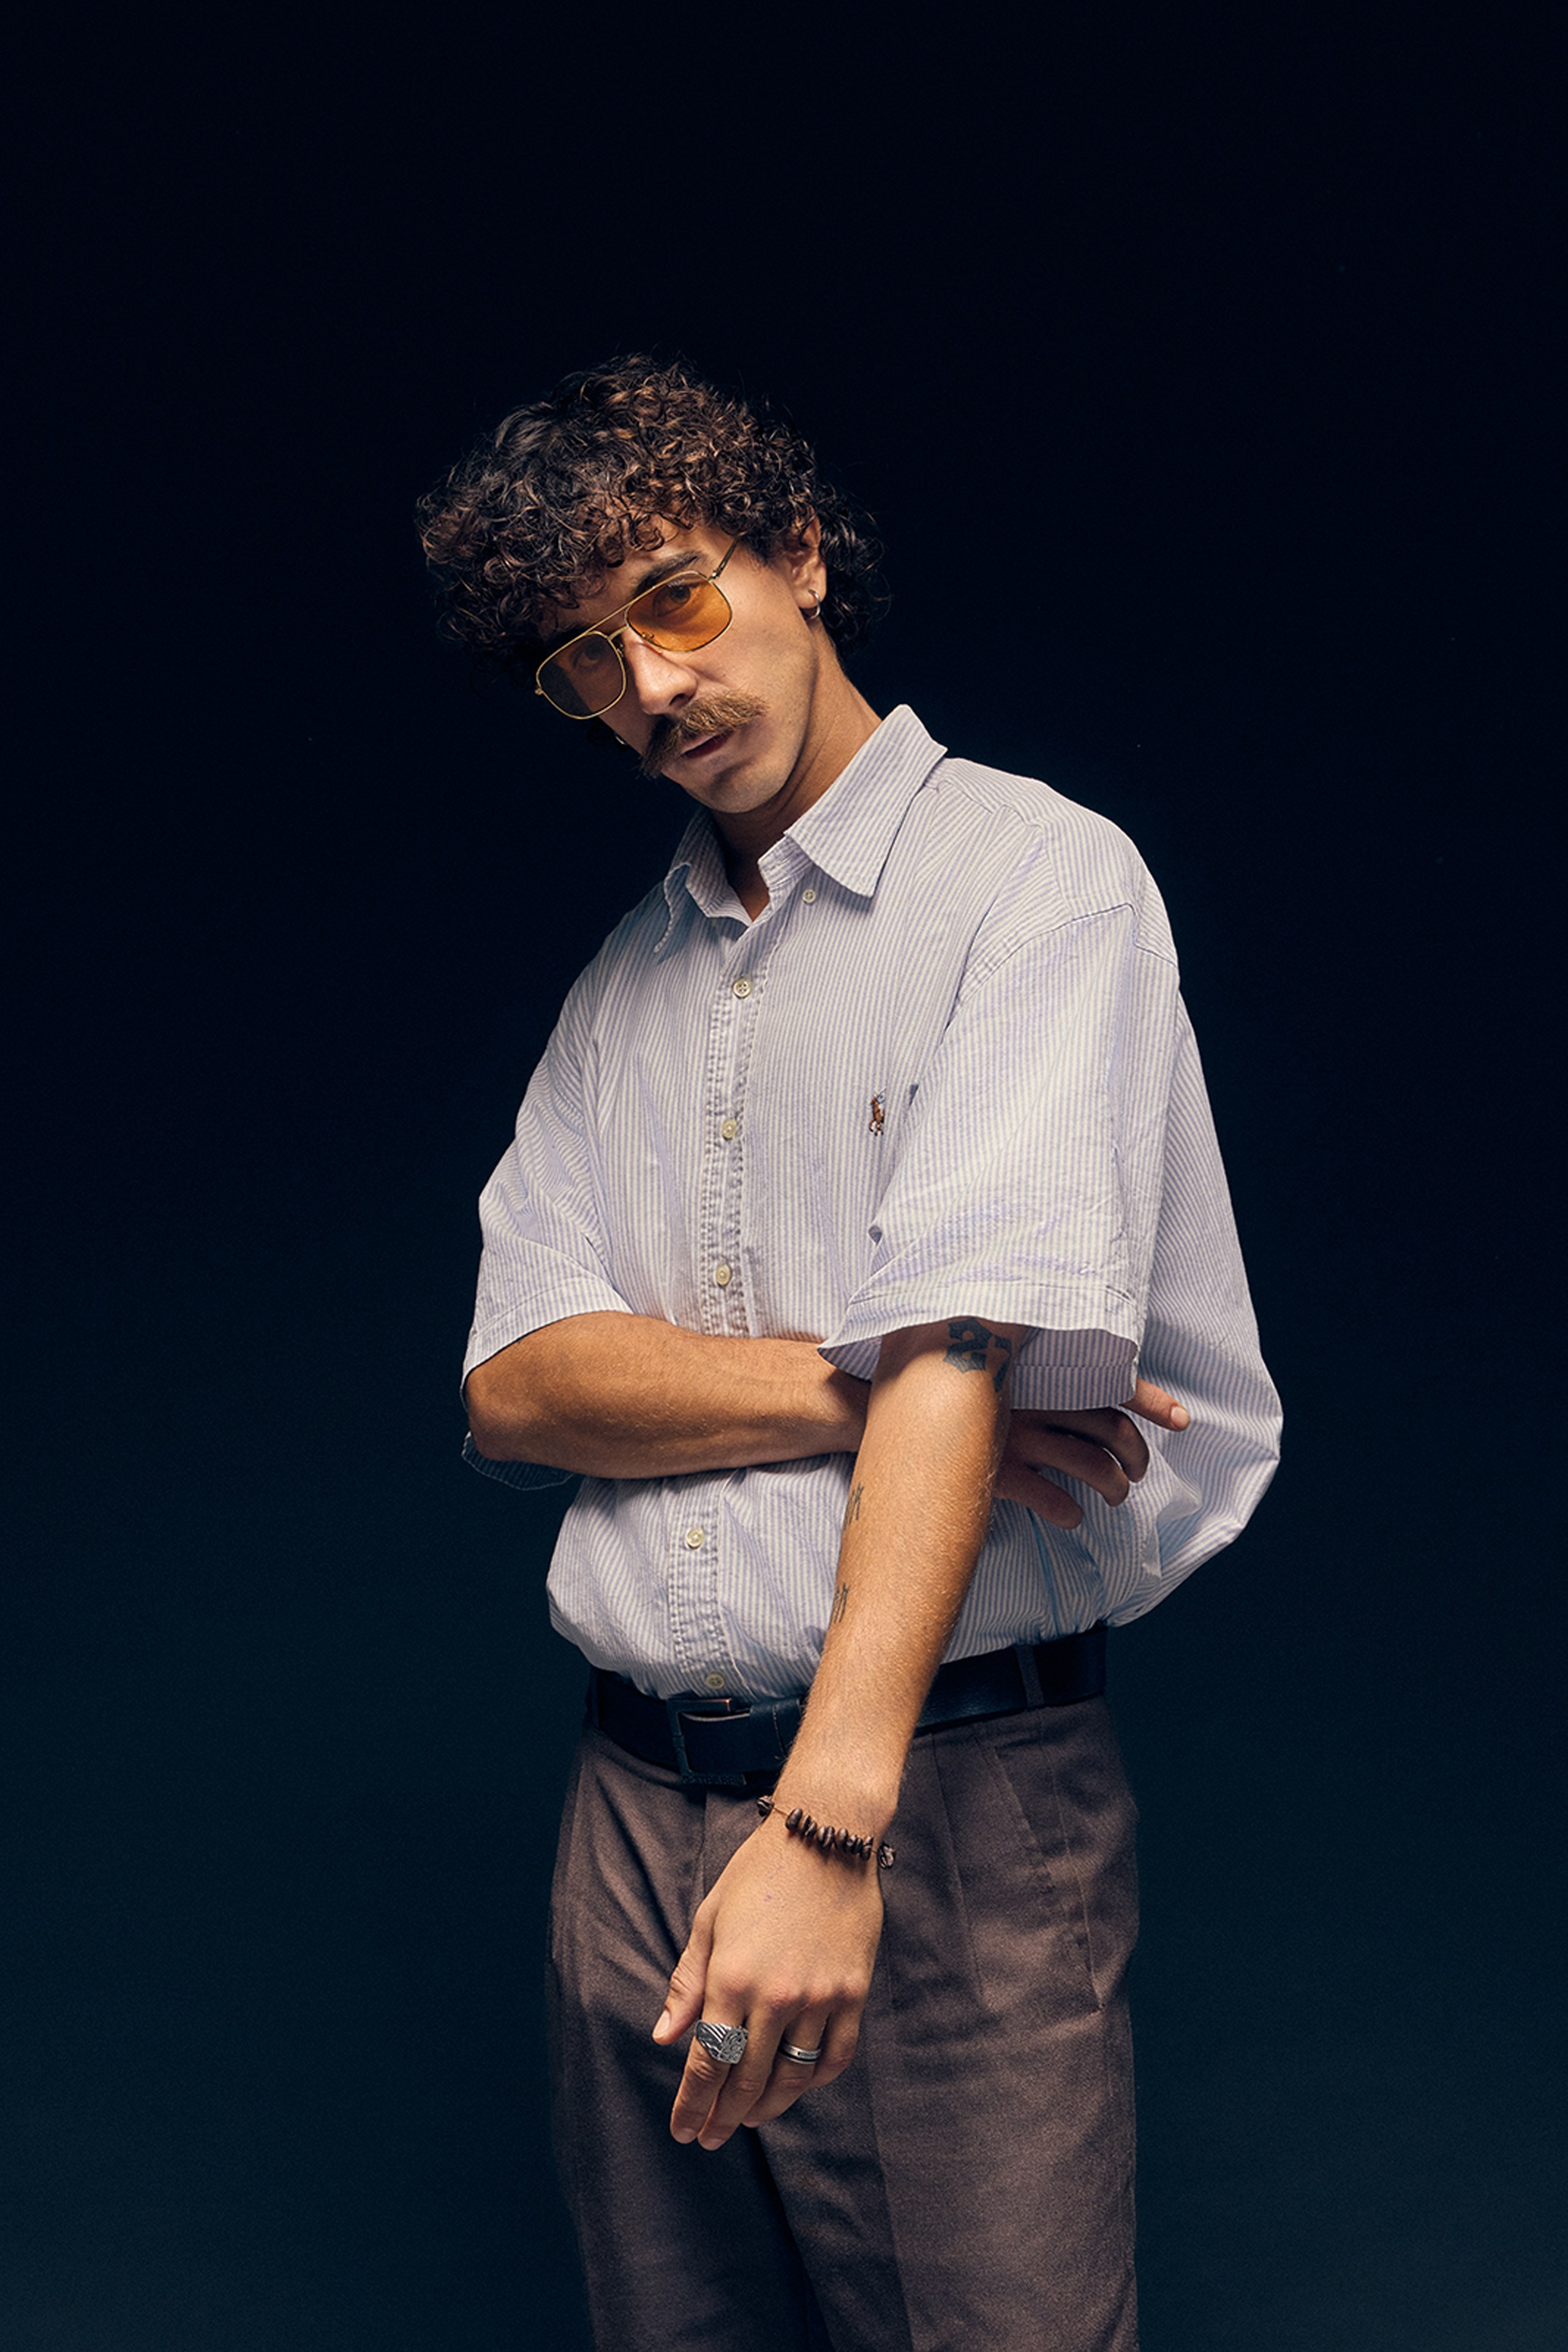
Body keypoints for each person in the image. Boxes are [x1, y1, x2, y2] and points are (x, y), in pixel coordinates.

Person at [418, 356, 1281, 2352]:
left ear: (800, 553)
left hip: (947, 1810)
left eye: (675, 599)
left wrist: (828, 1831)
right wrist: (867, 1373)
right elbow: (517, 1387)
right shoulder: (623, 985)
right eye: (581, 665)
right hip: (625, 1825)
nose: (644, 690)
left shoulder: (1038, 884)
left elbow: (969, 1358)